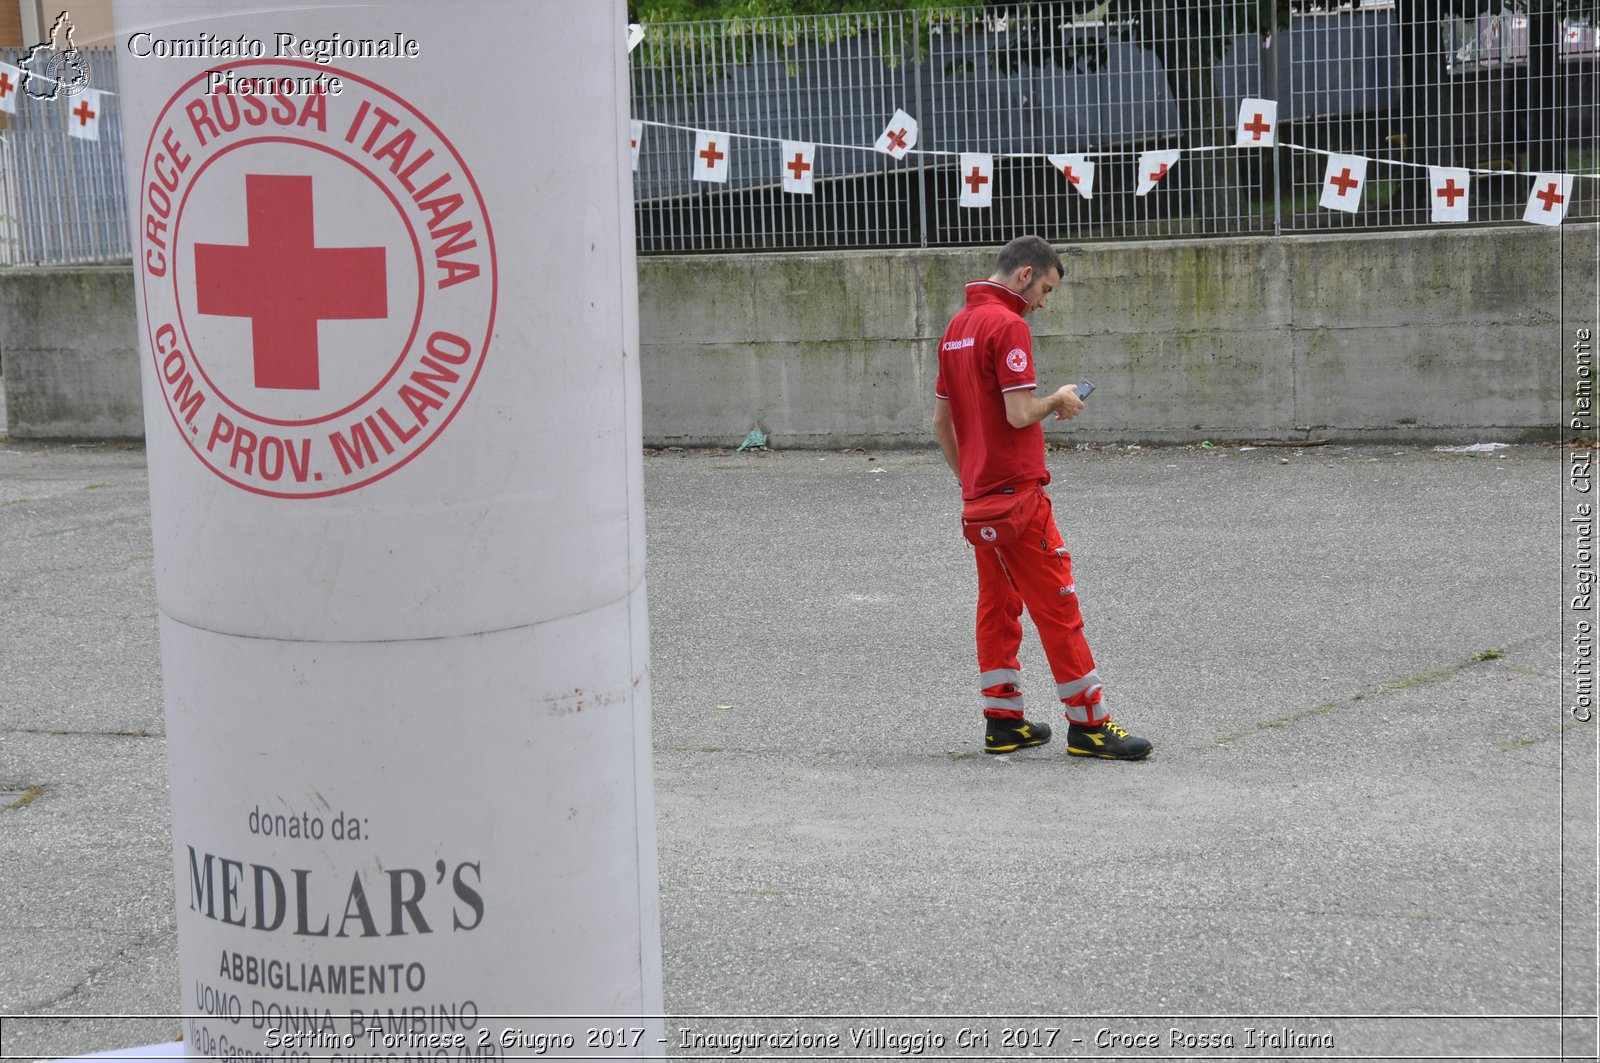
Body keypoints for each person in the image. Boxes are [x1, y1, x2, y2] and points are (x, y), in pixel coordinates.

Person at [932, 235, 1152, 760]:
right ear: (1025, 274)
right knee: (1059, 605)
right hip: (1020, 496)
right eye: (1046, 290)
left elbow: (941, 424)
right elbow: (1017, 413)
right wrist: (1057, 398)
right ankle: (1091, 726)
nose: (1044, 304)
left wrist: (970, 483)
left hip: (981, 498)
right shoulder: (1008, 325)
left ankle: (1003, 721)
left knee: (997, 606)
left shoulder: (956, 328)